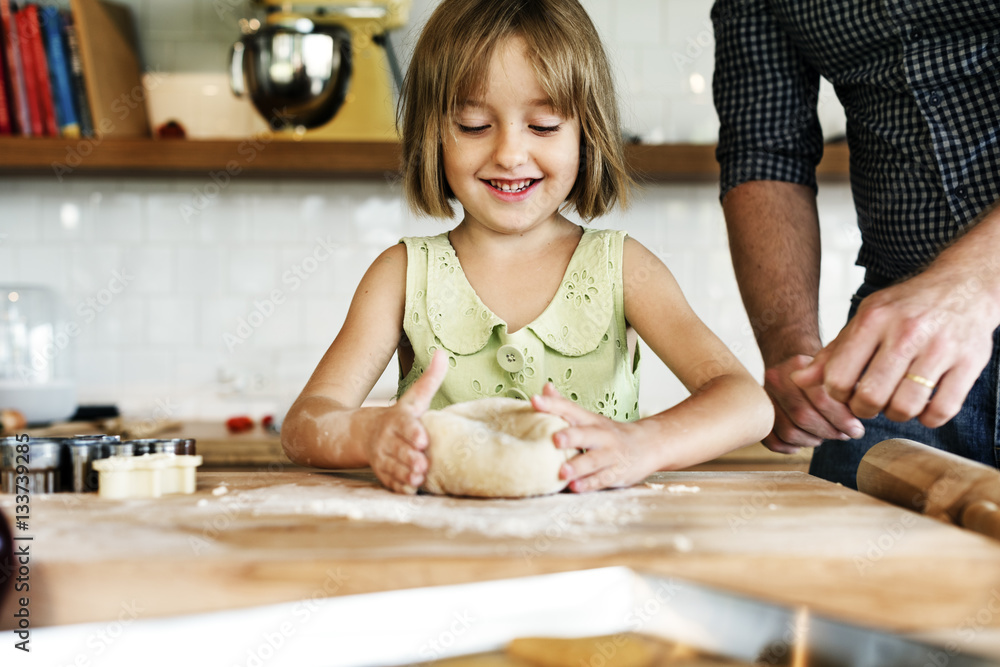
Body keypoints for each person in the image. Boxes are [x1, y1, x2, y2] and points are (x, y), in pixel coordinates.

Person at [281, 0, 773, 495]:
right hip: (444, 556)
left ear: (588, 133)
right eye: (474, 125)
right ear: (433, 136)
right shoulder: (402, 274)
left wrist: (642, 444)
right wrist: (369, 433)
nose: (510, 154)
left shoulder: (621, 268)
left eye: (543, 126)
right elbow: (305, 425)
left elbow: (746, 404)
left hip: (597, 557)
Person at [712, 0, 1000, 488]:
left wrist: (975, 283)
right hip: (889, 354)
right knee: (850, 556)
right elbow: (765, 151)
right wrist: (789, 348)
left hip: (930, 316)